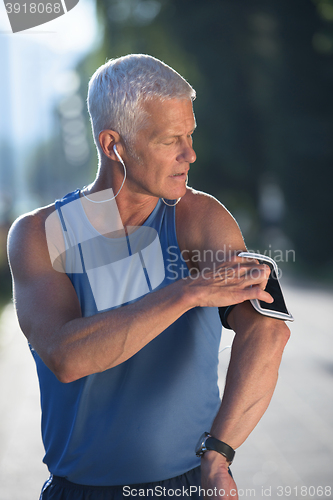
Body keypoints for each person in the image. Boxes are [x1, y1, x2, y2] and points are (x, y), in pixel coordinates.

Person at [7, 54, 290, 499]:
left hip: (184, 486)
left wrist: (219, 453)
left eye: (191, 135)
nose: (190, 154)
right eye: (170, 140)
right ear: (113, 145)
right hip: (77, 491)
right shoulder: (38, 234)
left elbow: (269, 329)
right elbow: (66, 356)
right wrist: (190, 290)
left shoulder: (202, 218)